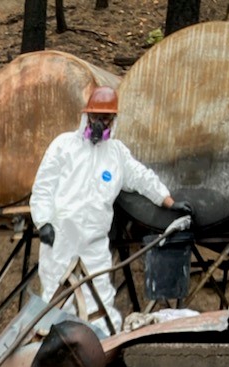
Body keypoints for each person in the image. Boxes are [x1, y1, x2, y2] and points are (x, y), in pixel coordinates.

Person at [30, 86, 192, 334]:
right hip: (61, 240)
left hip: (94, 246)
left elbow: (142, 178)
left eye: (105, 118)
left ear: (113, 120)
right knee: (56, 300)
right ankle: (51, 349)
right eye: (96, 117)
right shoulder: (63, 146)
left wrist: (168, 201)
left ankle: (102, 349)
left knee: (100, 304)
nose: (99, 123)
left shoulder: (116, 154)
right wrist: (43, 223)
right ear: (86, 116)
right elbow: (43, 186)